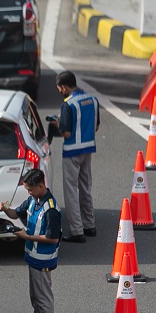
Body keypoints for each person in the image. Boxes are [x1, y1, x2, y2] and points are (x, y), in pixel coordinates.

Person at [0, 168, 61, 313]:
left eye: (30, 189)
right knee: (35, 296)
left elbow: (52, 237)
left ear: (41, 186)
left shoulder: (51, 210)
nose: (29, 193)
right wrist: (5, 209)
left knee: (43, 297)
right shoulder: (34, 200)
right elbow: (16, 213)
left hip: (43, 259)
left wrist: (27, 237)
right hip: (33, 257)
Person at [54, 71, 99, 243]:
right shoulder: (93, 100)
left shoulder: (68, 105)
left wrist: (58, 124)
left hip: (71, 152)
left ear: (64, 87)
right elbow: (96, 127)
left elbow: (65, 133)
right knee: (86, 187)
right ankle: (90, 225)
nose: (60, 92)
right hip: (87, 150)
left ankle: (77, 231)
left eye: (59, 89)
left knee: (71, 191)